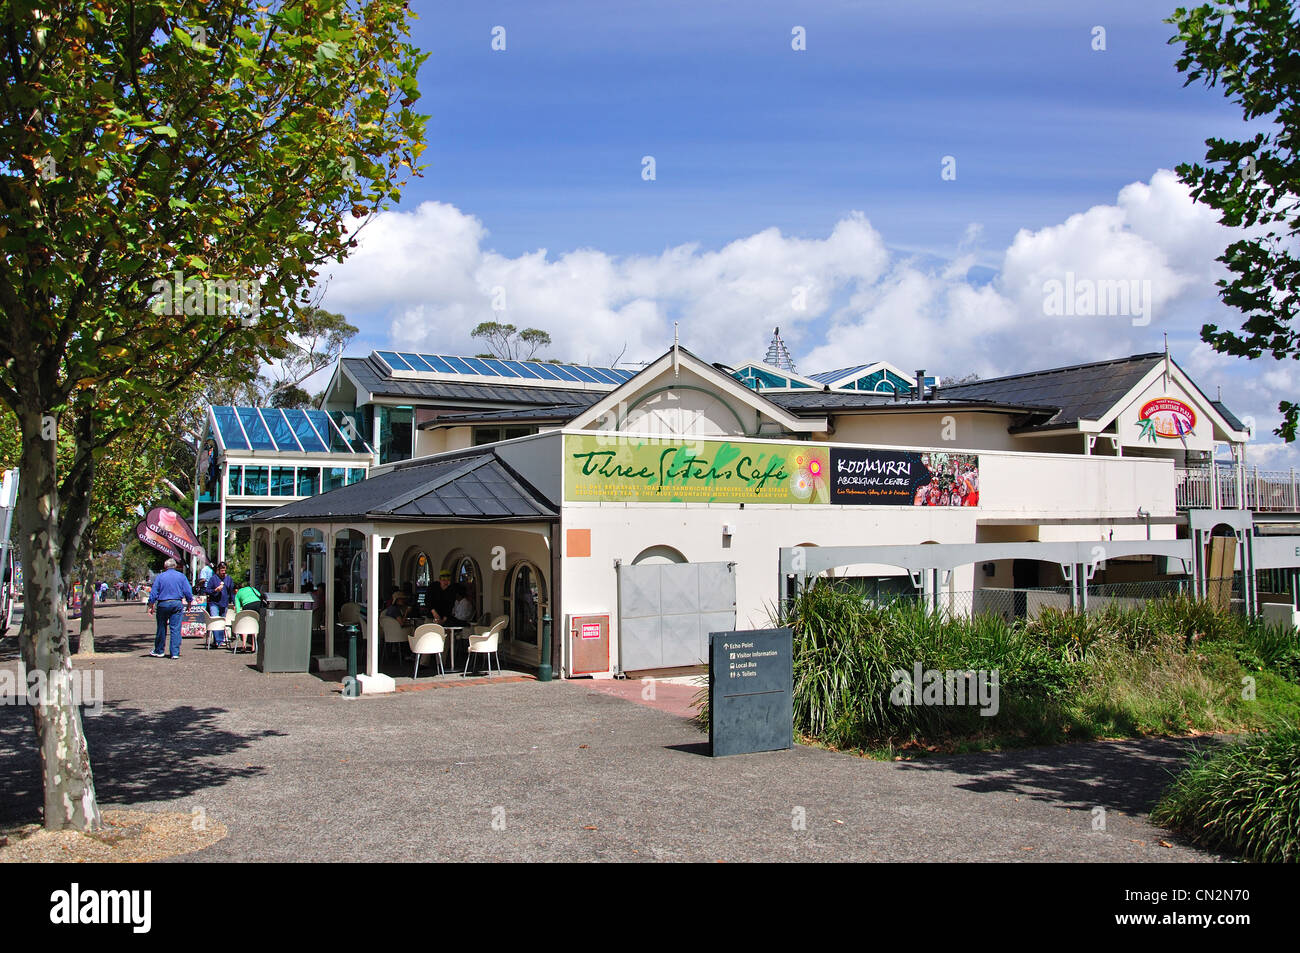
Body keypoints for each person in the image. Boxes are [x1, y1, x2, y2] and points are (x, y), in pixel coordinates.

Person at [148, 558, 194, 659]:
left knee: (161, 627)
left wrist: (150, 605)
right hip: (177, 603)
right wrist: (189, 602)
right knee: (176, 628)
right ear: (175, 566)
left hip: (163, 603)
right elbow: (188, 591)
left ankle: (159, 650)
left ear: (165, 567)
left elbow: (154, 593)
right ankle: (175, 652)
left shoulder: (160, 577)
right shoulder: (181, 576)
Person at [205, 561, 236, 646]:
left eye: (225, 571)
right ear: (218, 570)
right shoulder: (213, 579)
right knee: (215, 620)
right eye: (222, 571)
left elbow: (231, 592)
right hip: (214, 603)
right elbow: (207, 590)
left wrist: (234, 603)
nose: (223, 572)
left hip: (224, 603)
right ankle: (218, 640)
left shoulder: (229, 579)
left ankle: (220, 640)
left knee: (222, 621)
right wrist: (215, 590)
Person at [232, 578, 266, 653]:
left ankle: (244, 646)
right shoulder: (252, 588)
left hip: (247, 606)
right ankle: (254, 646)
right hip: (258, 604)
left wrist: (238, 618)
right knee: (255, 624)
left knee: (245, 624)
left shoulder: (237, 594)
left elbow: (237, 608)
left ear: (236, 589)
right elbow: (260, 595)